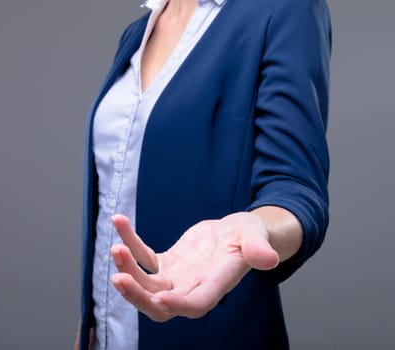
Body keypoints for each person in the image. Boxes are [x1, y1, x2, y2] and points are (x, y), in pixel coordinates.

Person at [75, 0, 331, 349]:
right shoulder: (136, 33)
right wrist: (90, 324)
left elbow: (296, 189)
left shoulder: (285, 8)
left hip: (211, 334)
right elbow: (112, 201)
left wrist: (253, 229)